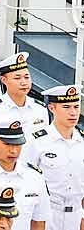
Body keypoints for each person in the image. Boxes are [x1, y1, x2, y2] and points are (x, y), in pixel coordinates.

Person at [23, 85, 84, 230]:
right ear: (52, 108)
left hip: (76, 215)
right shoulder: (37, 141)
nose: (73, 112)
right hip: (46, 214)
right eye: (66, 107)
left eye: (76, 107)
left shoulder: (82, 141)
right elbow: (25, 181)